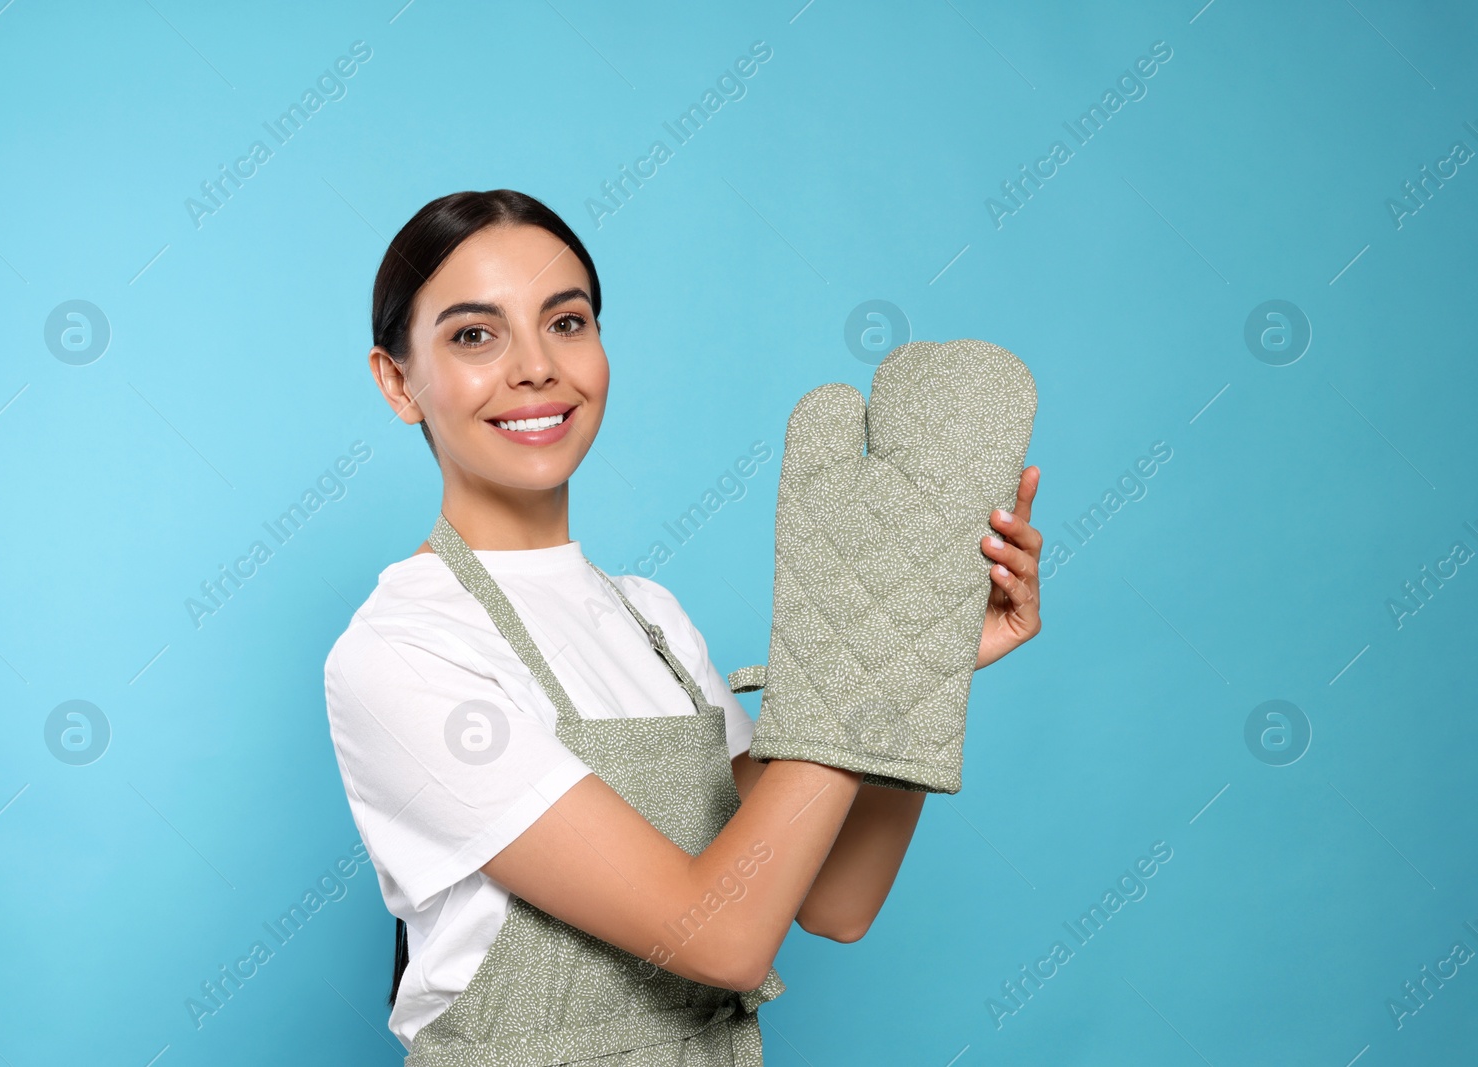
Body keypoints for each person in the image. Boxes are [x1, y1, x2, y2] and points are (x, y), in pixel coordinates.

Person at [323, 189, 1045, 1064]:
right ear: (399, 381)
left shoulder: (649, 617)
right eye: (475, 334)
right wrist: (866, 652)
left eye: (567, 321)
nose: (535, 366)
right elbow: (718, 936)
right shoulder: (406, 648)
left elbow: (835, 902)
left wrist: (914, 663)